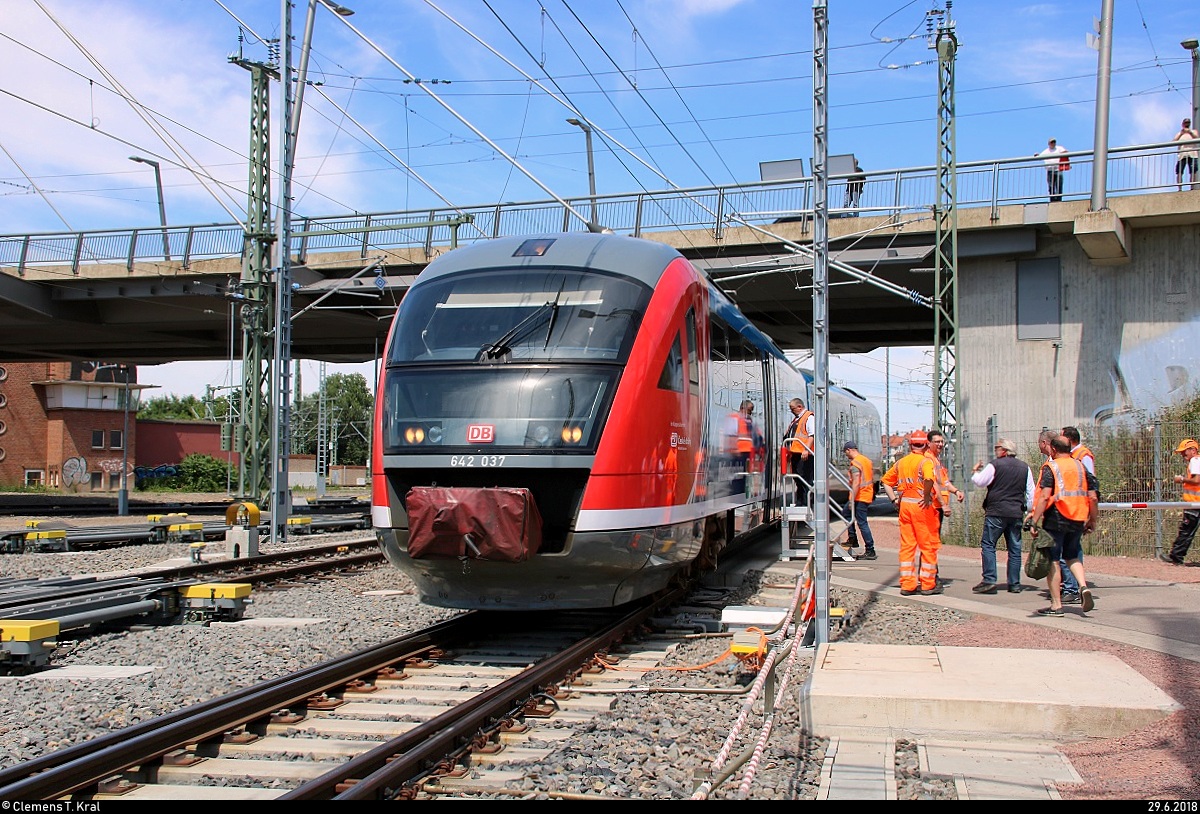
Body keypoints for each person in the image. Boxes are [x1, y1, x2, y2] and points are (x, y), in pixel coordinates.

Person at [1027, 435, 1098, 616]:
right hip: (1078, 517)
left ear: (1054, 450)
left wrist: (1034, 520)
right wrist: (1092, 519)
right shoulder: (1081, 467)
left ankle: (1056, 605)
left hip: (1056, 518)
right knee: (1072, 555)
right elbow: (1093, 496)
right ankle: (1083, 586)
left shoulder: (1052, 467)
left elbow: (1044, 496)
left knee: (1054, 560)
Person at [970, 438, 1035, 594]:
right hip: (1016, 512)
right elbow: (1031, 492)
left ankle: (989, 579)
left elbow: (980, 482)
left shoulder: (995, 465)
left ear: (1004, 450)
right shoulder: (1024, 467)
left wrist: (975, 471)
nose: (995, 450)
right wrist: (1030, 511)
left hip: (996, 511)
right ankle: (1014, 583)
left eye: (997, 447)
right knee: (1014, 548)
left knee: (988, 544)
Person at [881, 431, 941, 596]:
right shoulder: (925, 462)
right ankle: (928, 584)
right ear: (926, 445)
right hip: (922, 508)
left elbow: (886, 481)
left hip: (905, 506)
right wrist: (928, 495)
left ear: (910, 445)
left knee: (907, 546)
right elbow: (929, 479)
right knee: (927, 545)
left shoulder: (901, 463)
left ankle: (907, 585)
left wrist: (894, 500)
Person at [1059, 426, 1095, 602]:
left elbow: (1091, 484)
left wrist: (1090, 513)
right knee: (1070, 549)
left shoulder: (1083, 455)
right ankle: (1072, 586)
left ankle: (1072, 588)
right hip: (1069, 508)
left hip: (1077, 509)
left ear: (1069, 439)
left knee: (1071, 549)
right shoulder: (1072, 456)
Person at [1161, 438, 1200, 564]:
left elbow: (1196, 480)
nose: (1183, 455)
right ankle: (1176, 556)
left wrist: (1181, 479)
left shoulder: (1195, 461)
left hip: (1194, 503)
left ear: (1193, 450)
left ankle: (1176, 556)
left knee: (1186, 530)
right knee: (1187, 530)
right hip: (1194, 502)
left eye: (1184, 452)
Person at [843, 440, 877, 560]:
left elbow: (856, 482)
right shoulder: (866, 460)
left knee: (862, 522)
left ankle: (870, 549)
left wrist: (851, 499)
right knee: (846, 513)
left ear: (849, 450)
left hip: (860, 496)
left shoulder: (855, 464)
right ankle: (853, 538)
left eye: (846, 453)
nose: (846, 456)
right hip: (866, 494)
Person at [784, 397, 815, 509]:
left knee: (805, 479)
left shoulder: (809, 417)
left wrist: (806, 449)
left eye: (793, 409)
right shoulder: (797, 419)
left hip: (804, 455)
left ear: (799, 407)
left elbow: (812, 435)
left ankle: (807, 504)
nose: (792, 411)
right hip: (796, 454)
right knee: (798, 478)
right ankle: (801, 502)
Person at [1038, 138, 1069, 202]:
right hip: (1050, 170)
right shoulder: (1046, 151)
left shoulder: (1059, 148)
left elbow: (1065, 152)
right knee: (1051, 186)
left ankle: (1059, 200)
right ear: (1049, 144)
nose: (1053, 143)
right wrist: (1037, 155)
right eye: (1052, 142)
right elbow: (1040, 156)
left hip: (1058, 169)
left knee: (1059, 186)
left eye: (1054, 142)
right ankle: (1052, 200)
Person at [1173, 118, 1199, 191]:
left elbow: (1197, 138)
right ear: (1183, 124)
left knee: (1193, 171)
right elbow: (1174, 141)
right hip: (1182, 155)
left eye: (1188, 123)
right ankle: (1180, 188)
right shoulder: (1179, 133)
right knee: (1179, 171)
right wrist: (1181, 133)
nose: (1187, 124)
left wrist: (1190, 132)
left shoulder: (1194, 132)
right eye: (1185, 123)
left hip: (1192, 154)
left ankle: (1192, 188)